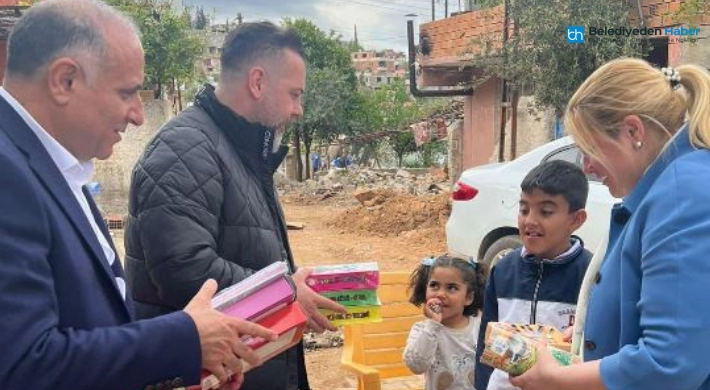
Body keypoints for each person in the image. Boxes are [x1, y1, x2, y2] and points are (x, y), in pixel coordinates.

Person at [0, 1, 276, 390]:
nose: (138, 115)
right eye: (127, 92)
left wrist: (185, 362)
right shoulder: (7, 172)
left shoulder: (53, 167)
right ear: (65, 80)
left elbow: (92, 324)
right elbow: (24, 364)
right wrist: (184, 339)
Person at [124, 21, 345, 390]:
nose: (298, 110)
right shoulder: (185, 149)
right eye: (294, 94)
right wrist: (287, 292)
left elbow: (247, 253)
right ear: (257, 82)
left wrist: (291, 284)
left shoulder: (241, 150)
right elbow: (184, 269)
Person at [509, 59, 710, 390]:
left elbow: (670, 362)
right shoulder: (669, 187)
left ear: (633, 132)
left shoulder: (681, 194)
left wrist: (558, 379)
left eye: (589, 149)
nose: (587, 166)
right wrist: (595, 331)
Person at [475, 160, 592, 390]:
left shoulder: (591, 276)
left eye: (546, 211)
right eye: (524, 209)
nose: (529, 220)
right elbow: (485, 341)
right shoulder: (503, 270)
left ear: (576, 220)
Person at [403, 254, 487, 390]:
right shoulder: (422, 330)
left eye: (452, 288)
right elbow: (416, 366)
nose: (440, 294)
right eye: (434, 285)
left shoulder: (480, 327)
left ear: (468, 298)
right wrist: (433, 324)